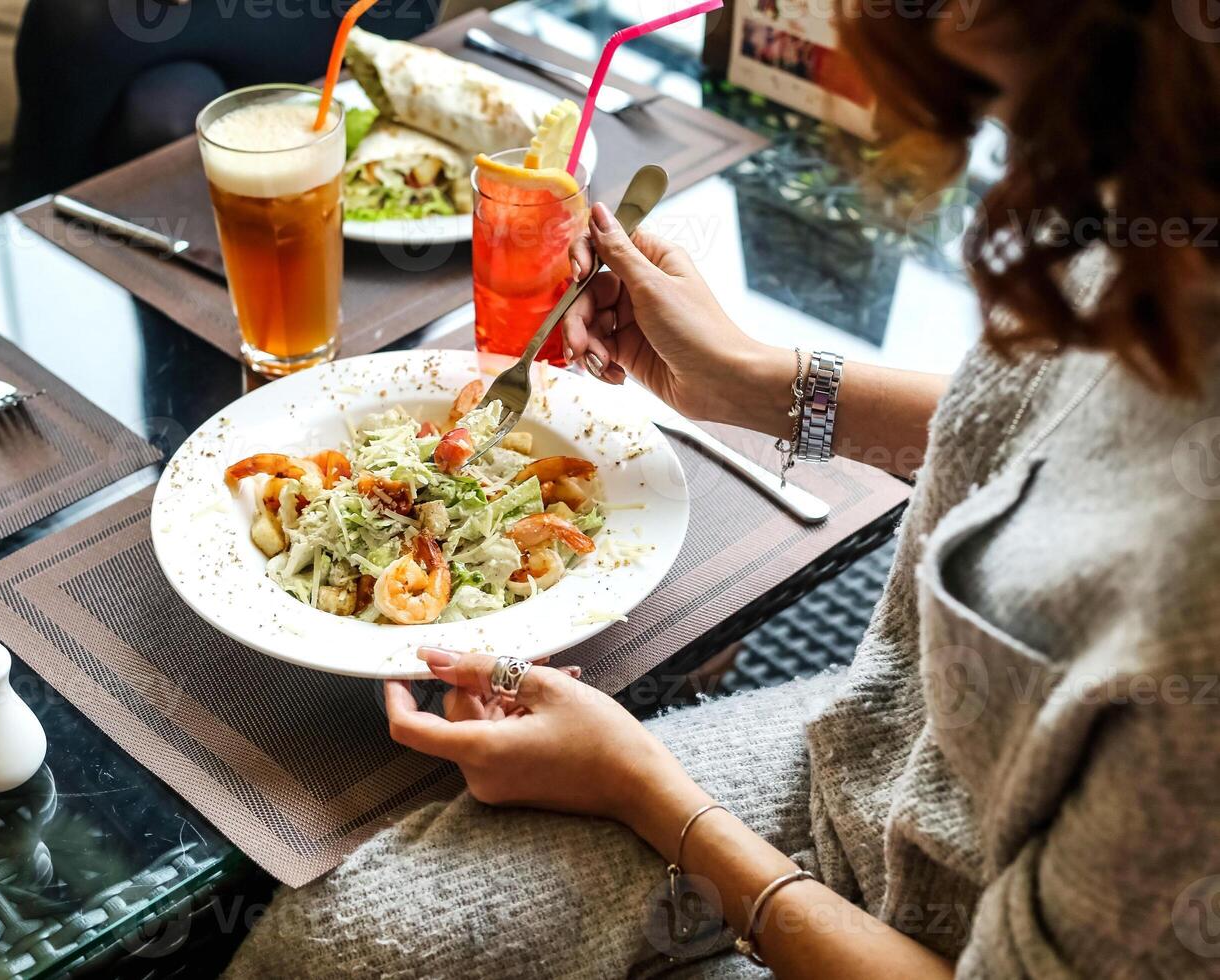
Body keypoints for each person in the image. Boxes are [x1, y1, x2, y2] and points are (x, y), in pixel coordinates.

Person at [229, 2, 1220, 976]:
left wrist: (642, 787)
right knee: (343, 914)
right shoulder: (1160, 212)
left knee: (335, 947)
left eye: (1002, 94)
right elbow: (1045, 412)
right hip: (865, 756)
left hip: (927, 932)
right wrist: (750, 382)